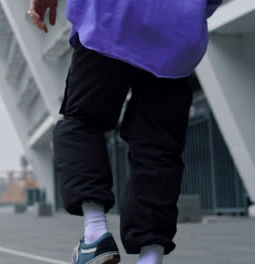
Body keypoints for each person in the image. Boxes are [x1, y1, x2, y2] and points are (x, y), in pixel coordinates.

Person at [28, 0, 223, 263]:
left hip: (110, 17)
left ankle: (95, 233)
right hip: (177, 35)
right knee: (159, 146)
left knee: (81, 123)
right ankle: (150, 256)